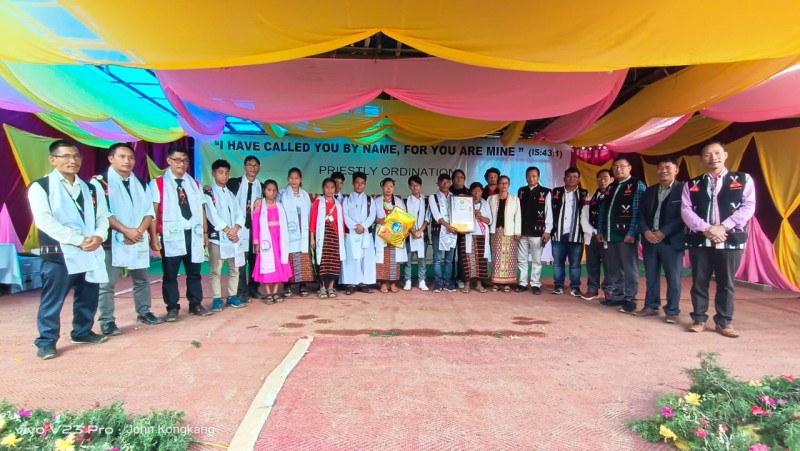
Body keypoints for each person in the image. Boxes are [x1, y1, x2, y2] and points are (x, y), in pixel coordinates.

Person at [28, 139, 110, 359]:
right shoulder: (41, 187)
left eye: (76, 156)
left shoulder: (91, 187)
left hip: (90, 249)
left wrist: (99, 236)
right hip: (59, 253)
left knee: (88, 295)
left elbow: (103, 217)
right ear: (53, 160)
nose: (72, 161)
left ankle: (82, 331)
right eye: (66, 156)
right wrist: (77, 239)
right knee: (53, 300)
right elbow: (44, 221)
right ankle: (46, 342)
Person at [681, 142, 755, 338]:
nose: (713, 157)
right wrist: (706, 229)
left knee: (726, 282)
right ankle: (699, 318)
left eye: (717, 153)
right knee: (699, 281)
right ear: (701, 159)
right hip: (701, 239)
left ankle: (724, 321)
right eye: (707, 154)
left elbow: (748, 207)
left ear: (726, 155)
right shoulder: (692, 184)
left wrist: (724, 227)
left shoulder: (742, 179)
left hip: (730, 239)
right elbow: (686, 211)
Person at [92, 143, 161, 337]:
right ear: (111, 159)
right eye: (122, 157)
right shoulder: (100, 183)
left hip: (137, 237)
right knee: (107, 284)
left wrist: (138, 231)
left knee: (141, 279)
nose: (127, 161)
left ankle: (144, 311)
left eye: (130, 157)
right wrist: (126, 231)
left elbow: (149, 211)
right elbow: (102, 213)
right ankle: (107, 321)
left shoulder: (139, 182)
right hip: (112, 240)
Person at [149, 146, 210, 322]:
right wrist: (154, 237)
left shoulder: (194, 184)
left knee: (194, 272)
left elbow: (201, 209)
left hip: (193, 233)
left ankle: (195, 304)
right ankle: (172, 307)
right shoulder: (158, 183)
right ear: (169, 161)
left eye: (184, 161)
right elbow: (152, 212)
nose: (181, 164)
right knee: (170, 274)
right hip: (171, 234)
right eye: (177, 160)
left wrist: (205, 232)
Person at [635, 157, 685, 323]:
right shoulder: (649, 191)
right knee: (651, 275)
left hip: (671, 241)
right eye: (660, 167)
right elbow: (640, 215)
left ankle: (672, 311)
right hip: (650, 240)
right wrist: (646, 231)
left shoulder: (684, 189)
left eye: (668, 167)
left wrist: (664, 232)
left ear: (676, 170)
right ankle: (651, 306)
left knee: (673, 277)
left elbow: (684, 216)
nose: (663, 170)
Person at [596, 156, 646, 313]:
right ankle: (617, 296)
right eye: (616, 166)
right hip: (610, 234)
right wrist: (600, 230)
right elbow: (603, 210)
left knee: (629, 268)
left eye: (622, 166)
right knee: (613, 267)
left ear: (629, 168)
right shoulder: (611, 187)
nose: (619, 169)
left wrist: (632, 232)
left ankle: (630, 298)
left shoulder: (637, 185)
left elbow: (639, 212)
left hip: (626, 235)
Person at [203, 159, 246, 312]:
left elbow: (240, 214)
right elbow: (212, 215)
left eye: (226, 173)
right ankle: (216, 298)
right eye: (221, 172)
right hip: (218, 237)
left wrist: (235, 229)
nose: (224, 176)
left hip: (232, 237)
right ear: (214, 173)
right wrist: (228, 230)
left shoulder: (230, 193)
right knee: (216, 270)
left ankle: (232, 296)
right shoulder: (209, 193)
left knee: (234, 269)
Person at [226, 155, 262, 301]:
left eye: (255, 165)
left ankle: (253, 288)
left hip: (255, 229)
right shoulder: (234, 183)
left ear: (258, 168)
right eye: (250, 165)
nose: (253, 167)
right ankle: (241, 291)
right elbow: (219, 190)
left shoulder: (262, 186)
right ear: (244, 167)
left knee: (255, 260)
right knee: (240, 261)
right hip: (239, 228)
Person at [549, 167, 588, 297]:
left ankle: (575, 287)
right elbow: (549, 212)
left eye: (575, 177)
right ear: (564, 178)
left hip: (576, 235)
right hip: (558, 234)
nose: (572, 179)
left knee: (575, 264)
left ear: (578, 179)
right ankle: (558, 285)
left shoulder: (584, 194)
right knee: (558, 263)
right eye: (569, 177)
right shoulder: (556, 192)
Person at [252, 179, 292, 304]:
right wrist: (256, 242)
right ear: (264, 191)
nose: (272, 192)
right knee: (266, 265)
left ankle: (275, 291)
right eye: (269, 190)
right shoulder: (260, 205)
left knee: (278, 264)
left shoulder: (279, 205)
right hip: (266, 241)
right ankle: (268, 293)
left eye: (274, 190)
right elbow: (255, 225)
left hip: (278, 239)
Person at [277, 167, 314, 297]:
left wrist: (310, 235)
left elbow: (309, 214)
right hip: (288, 231)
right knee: (288, 258)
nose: (294, 181)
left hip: (303, 230)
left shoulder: (305, 195)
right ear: (288, 179)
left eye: (296, 178)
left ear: (301, 180)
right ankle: (287, 286)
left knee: (302, 258)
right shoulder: (281, 194)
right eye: (291, 178)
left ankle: (302, 286)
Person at [516, 166, 552, 295]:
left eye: (534, 176)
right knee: (522, 259)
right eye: (529, 176)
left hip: (538, 231)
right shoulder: (521, 191)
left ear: (538, 177)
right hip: (522, 231)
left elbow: (549, 213)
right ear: (526, 177)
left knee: (536, 260)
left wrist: (547, 231)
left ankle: (535, 284)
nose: (531, 178)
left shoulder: (546, 191)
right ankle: (522, 283)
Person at [341, 171, 377, 294]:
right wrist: (355, 226)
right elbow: (345, 215)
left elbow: (372, 216)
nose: (359, 185)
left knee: (365, 258)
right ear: (353, 183)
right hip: (352, 233)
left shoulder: (369, 200)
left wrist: (363, 226)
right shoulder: (347, 199)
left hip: (365, 233)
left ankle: (364, 283)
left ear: (365, 184)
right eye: (357, 182)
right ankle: (351, 284)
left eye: (362, 183)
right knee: (352, 259)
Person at [580, 169, 613, 300]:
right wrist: (594, 233)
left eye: (605, 177)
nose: (602, 180)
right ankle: (592, 289)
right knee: (592, 264)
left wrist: (604, 233)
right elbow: (583, 218)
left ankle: (609, 289)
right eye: (599, 178)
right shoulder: (589, 198)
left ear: (611, 179)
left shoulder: (613, 198)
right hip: (592, 236)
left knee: (609, 265)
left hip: (608, 237)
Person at [310, 178, 346, 298]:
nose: (329, 190)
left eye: (332, 187)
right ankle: (322, 288)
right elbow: (313, 221)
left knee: (334, 263)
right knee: (323, 263)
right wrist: (312, 238)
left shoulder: (338, 205)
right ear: (323, 188)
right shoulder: (318, 202)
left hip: (335, 238)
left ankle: (331, 287)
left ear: (335, 189)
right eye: (327, 187)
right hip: (323, 237)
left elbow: (341, 222)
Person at [488, 175, 521, 292]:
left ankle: (507, 283)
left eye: (506, 183)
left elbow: (518, 217)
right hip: (495, 231)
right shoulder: (491, 199)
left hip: (510, 232)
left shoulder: (515, 199)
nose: (503, 185)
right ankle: (496, 282)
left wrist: (517, 232)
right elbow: (488, 215)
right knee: (496, 257)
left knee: (509, 258)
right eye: (501, 183)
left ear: (509, 185)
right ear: (497, 185)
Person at [374, 178, 408, 293]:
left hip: (395, 232)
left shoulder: (399, 201)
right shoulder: (377, 201)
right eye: (386, 186)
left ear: (394, 188)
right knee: (383, 258)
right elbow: (373, 218)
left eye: (391, 186)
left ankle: (393, 283)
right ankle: (383, 283)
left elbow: (404, 218)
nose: (388, 189)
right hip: (382, 232)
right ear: (382, 187)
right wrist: (380, 220)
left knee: (394, 258)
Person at [459, 182, 492, 293]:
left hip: (481, 235)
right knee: (467, 259)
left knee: (480, 260)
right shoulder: (465, 202)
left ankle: (479, 284)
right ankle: (467, 284)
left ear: (482, 192)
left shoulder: (485, 204)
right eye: (474, 191)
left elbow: (489, 220)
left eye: (478, 191)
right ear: (470, 192)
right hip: (467, 234)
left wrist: (480, 216)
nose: (476, 193)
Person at [428, 173, 458, 292]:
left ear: (450, 183)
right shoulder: (433, 197)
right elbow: (437, 216)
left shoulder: (454, 197)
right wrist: (448, 226)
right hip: (439, 230)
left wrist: (456, 227)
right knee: (437, 259)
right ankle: (438, 282)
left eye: (447, 181)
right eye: (443, 181)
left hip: (452, 231)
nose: (445, 184)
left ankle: (447, 282)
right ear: (438, 183)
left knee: (449, 259)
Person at [403, 175, 430, 291]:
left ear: (421, 186)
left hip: (422, 235)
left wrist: (419, 231)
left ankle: (422, 281)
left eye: (417, 185)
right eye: (413, 185)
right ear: (409, 186)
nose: (415, 187)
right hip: (409, 235)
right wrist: (412, 230)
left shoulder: (427, 201)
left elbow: (427, 218)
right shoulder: (405, 201)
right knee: (408, 259)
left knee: (422, 259)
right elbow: (404, 218)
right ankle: (407, 280)